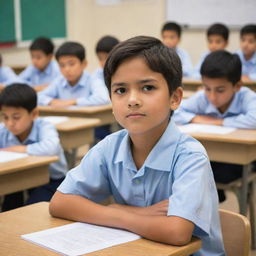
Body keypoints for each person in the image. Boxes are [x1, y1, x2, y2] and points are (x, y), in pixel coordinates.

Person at [49, 36, 225, 256]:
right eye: (121, 90)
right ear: (111, 101)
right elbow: (59, 203)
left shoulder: (190, 156)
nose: (132, 100)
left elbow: (177, 232)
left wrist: (114, 211)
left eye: (148, 87)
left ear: (175, 98)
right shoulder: (108, 148)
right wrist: (131, 213)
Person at [174, 50, 256, 202]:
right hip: (211, 157)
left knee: (204, 174)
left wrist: (218, 122)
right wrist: (197, 118)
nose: (212, 96)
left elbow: (254, 118)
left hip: (239, 158)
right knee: (190, 170)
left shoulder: (246, 96)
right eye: (207, 88)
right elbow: (174, 111)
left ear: (237, 86)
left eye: (220, 90)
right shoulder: (202, 98)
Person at [0, 83, 68, 211]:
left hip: (51, 180)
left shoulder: (44, 126)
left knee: (31, 209)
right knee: (9, 208)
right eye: (5, 117)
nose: (10, 123)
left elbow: (51, 147)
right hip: (18, 178)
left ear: (34, 114)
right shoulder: (3, 130)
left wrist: (22, 149)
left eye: (16, 117)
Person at [38, 41, 110, 107]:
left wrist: (74, 102)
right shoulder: (59, 81)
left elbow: (103, 98)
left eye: (71, 64)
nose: (67, 69)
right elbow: (38, 97)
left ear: (84, 64)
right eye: (62, 65)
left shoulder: (93, 80)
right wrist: (51, 101)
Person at [93, 35, 120, 140]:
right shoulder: (98, 74)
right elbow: (103, 97)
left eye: (107, 58)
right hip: (106, 114)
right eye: (100, 58)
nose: (103, 62)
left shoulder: (125, 72)